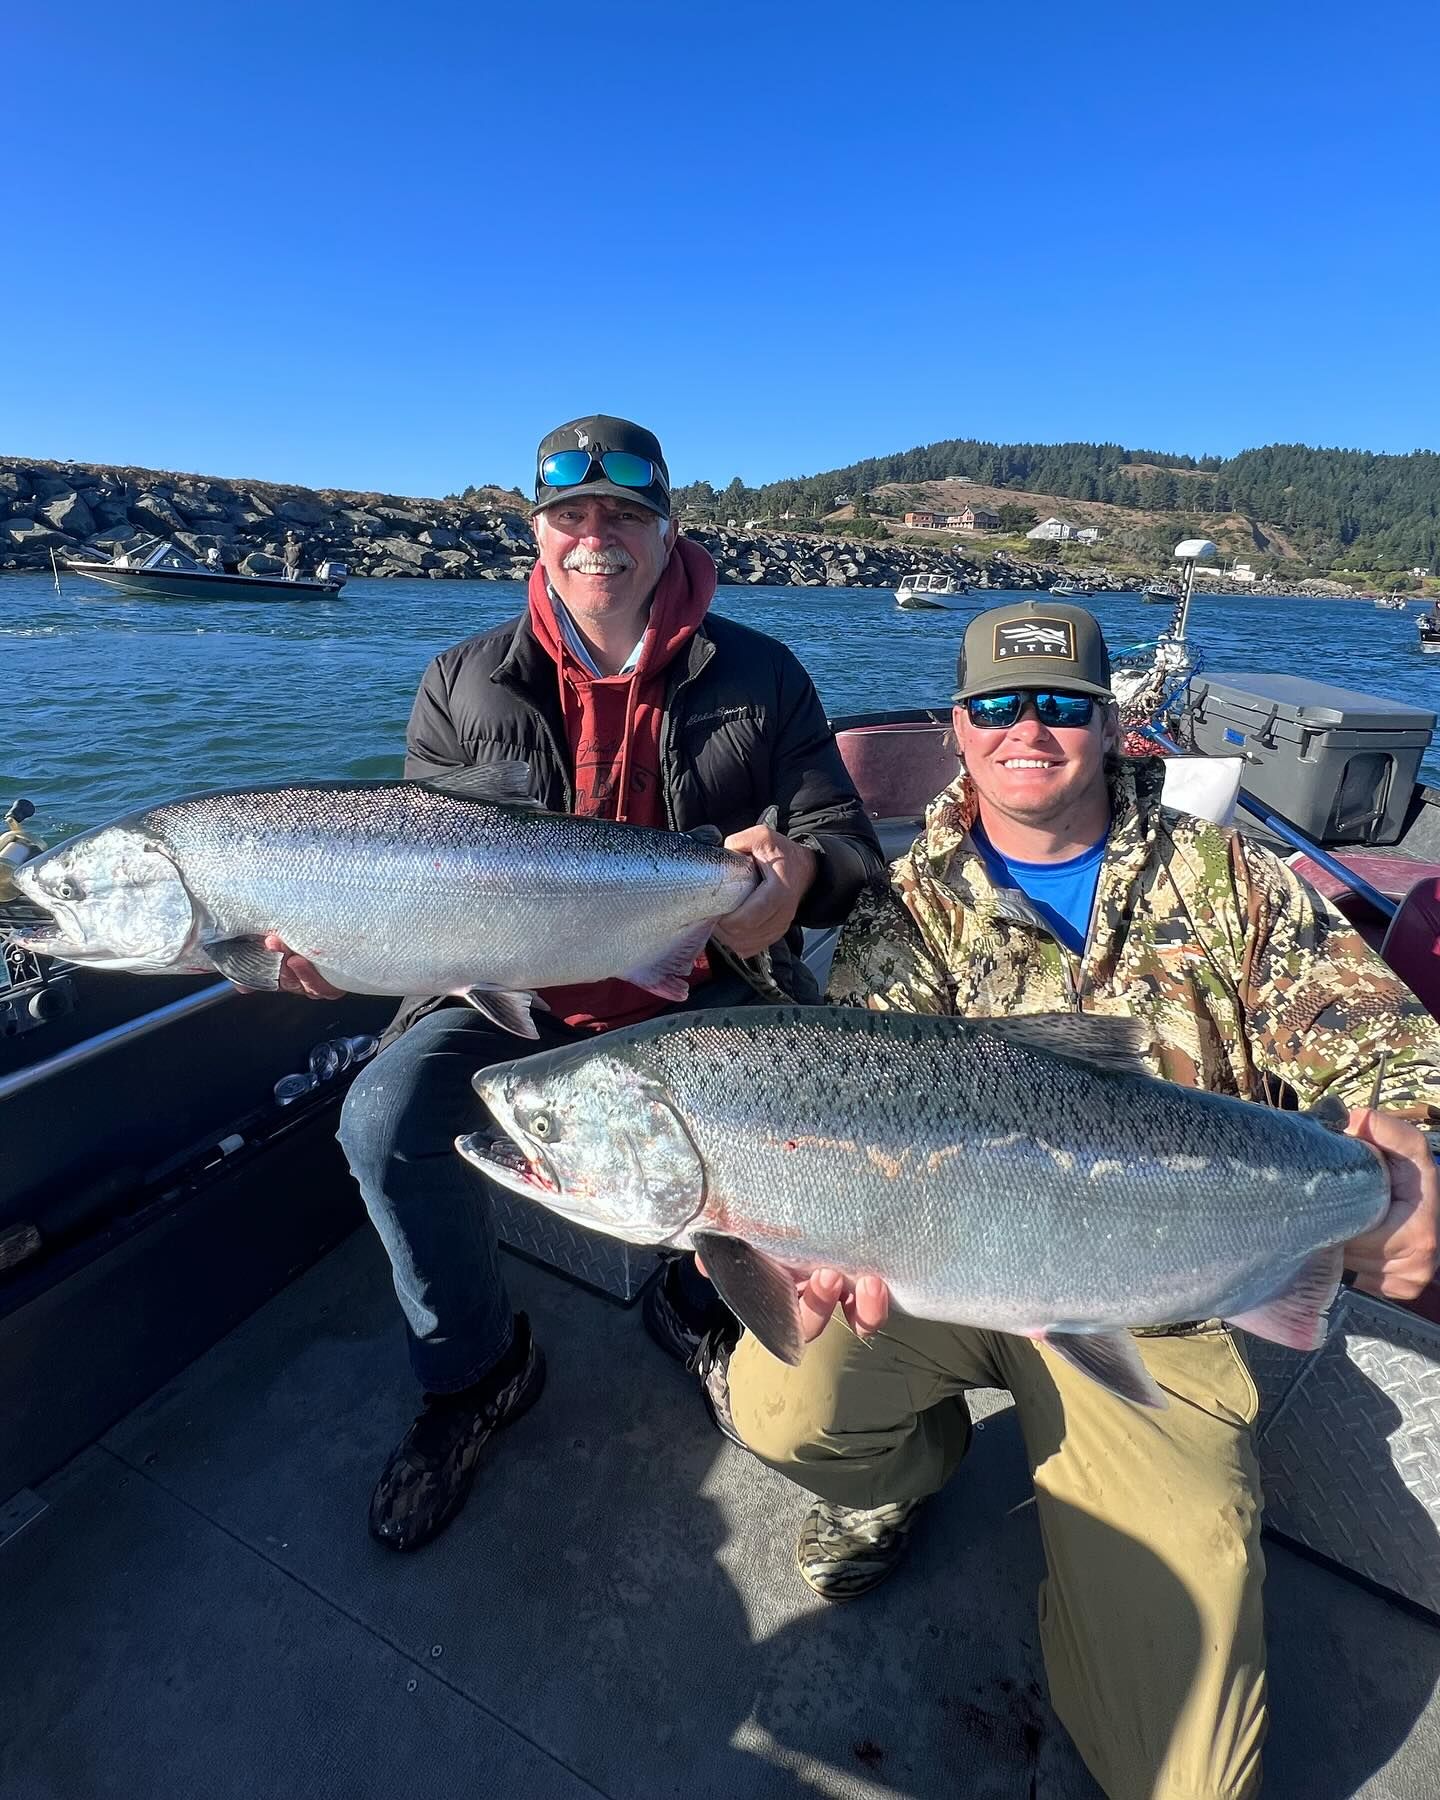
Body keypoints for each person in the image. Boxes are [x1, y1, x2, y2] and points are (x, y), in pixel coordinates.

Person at [724, 598, 1440, 1800]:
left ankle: (1100, 1561)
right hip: (946, 1272)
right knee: (785, 1395)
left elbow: (1391, 1056)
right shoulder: (908, 910)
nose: (1028, 730)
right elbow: (857, 1107)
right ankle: (908, 1479)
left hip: (1160, 1299)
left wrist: (1412, 1169)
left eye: (1060, 705)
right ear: (956, 728)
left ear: (1108, 727)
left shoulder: (1228, 876)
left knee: (1188, 1780)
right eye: (997, 706)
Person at [272, 414, 884, 1552]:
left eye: (624, 515)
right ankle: (478, 1373)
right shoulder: (461, 681)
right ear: (538, 532)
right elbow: (421, 881)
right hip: (511, 996)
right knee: (385, 1120)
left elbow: (849, 848)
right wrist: (335, 950)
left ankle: (698, 1308)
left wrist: (798, 873)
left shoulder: (763, 672)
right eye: (571, 516)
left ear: (667, 528)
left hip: (711, 980)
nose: (595, 536)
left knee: (780, 1134)